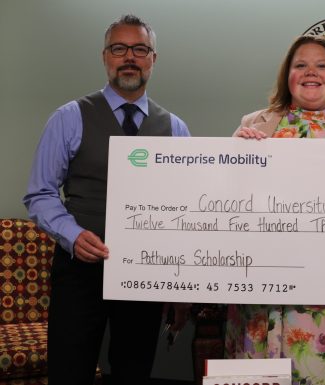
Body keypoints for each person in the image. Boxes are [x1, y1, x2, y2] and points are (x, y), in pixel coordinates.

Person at [23, 14, 190, 385]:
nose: (129, 56)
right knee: (69, 370)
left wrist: (180, 286)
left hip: (146, 275)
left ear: (153, 59)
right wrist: (72, 234)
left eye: (140, 49)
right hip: (80, 271)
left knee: (134, 371)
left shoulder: (176, 130)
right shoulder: (69, 118)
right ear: (105, 56)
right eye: (119, 48)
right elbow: (40, 192)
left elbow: (184, 208)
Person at [228, 35, 325, 385]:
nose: (310, 72)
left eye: (321, 65)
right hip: (267, 291)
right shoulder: (256, 124)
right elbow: (230, 205)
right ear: (288, 75)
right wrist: (234, 157)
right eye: (301, 65)